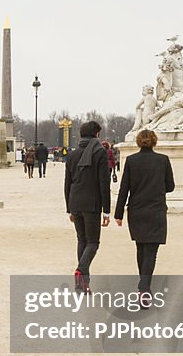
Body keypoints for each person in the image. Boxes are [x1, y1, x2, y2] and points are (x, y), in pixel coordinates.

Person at [114, 129, 175, 298]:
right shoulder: (163, 160)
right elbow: (170, 186)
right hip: (156, 210)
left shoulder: (131, 161)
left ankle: (143, 284)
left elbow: (124, 189)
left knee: (140, 248)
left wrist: (118, 214)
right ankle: (144, 287)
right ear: (155, 141)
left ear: (138, 142)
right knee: (151, 251)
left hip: (136, 210)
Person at [63, 121, 111, 292]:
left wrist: (69, 207)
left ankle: (83, 284)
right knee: (93, 242)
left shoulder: (73, 155)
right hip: (92, 204)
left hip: (75, 201)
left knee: (82, 240)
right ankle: (81, 271)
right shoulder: (100, 152)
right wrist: (107, 210)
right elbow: (103, 183)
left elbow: (67, 183)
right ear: (96, 134)